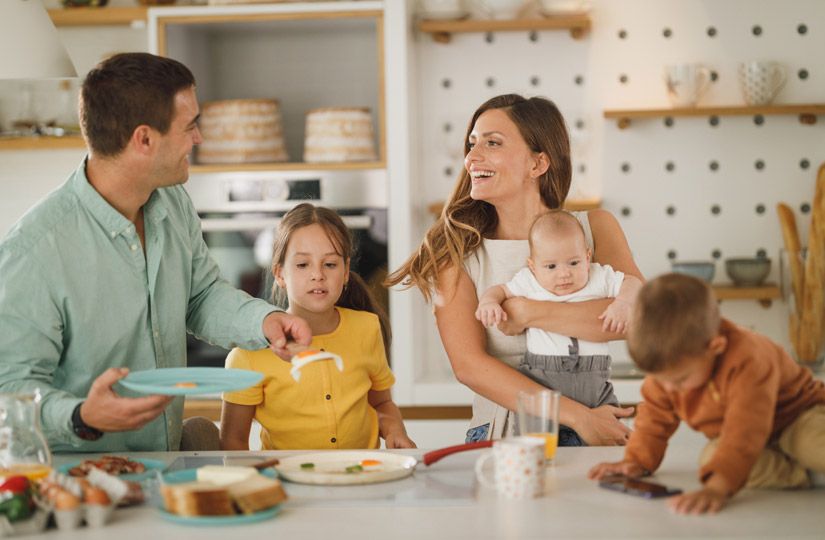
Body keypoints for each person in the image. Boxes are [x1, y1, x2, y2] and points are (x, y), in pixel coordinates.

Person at [0, 53, 311, 453]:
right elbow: (10, 389)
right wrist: (81, 417)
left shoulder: (171, 203)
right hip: (78, 483)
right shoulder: (34, 250)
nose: (199, 139)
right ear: (144, 139)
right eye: (190, 126)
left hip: (159, 466)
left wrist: (265, 321)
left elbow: (201, 296)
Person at [386, 94, 641, 445]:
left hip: (596, 421)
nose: (472, 157)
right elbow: (470, 366)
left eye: (492, 143)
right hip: (506, 432)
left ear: (537, 164)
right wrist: (578, 417)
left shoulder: (594, 228)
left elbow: (639, 317)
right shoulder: (456, 250)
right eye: (472, 143)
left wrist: (527, 312)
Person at [588, 273, 825, 515]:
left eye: (680, 380)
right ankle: (808, 475)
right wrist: (635, 462)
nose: (669, 389)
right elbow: (654, 419)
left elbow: (745, 428)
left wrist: (716, 490)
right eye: (660, 380)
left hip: (798, 417)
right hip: (751, 439)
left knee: (811, 444)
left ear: (716, 348)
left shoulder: (749, 358)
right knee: (712, 460)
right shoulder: (670, 370)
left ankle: (808, 457)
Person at [220, 203, 416, 451]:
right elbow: (232, 442)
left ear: (345, 272)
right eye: (303, 265)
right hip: (288, 484)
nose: (318, 275)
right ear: (280, 274)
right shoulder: (249, 355)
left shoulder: (367, 328)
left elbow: (381, 404)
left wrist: (395, 431)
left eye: (330, 264)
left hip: (365, 477)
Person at [475, 209, 642, 445]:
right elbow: (501, 290)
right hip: (542, 380)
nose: (564, 274)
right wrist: (488, 302)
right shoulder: (530, 282)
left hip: (595, 386)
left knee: (609, 445)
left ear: (587, 256)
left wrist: (623, 303)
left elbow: (633, 283)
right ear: (533, 266)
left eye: (573, 263)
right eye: (551, 266)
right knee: (535, 449)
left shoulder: (598, 276)